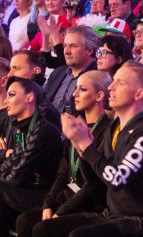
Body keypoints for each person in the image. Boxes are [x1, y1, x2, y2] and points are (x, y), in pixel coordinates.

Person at [35, 61, 143, 236]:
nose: (111, 87)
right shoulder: (115, 126)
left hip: (140, 221)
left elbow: (117, 179)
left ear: (139, 94)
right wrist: (80, 145)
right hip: (111, 214)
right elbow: (97, 176)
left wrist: (87, 146)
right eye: (113, 81)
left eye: (120, 83)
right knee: (43, 229)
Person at [16, 71, 112, 237]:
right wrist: (49, 204)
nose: (74, 94)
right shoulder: (74, 125)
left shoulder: (108, 130)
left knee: (44, 229)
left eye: (82, 89)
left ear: (99, 95)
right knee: (25, 220)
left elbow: (94, 184)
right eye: (75, 88)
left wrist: (61, 212)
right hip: (69, 195)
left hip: (93, 204)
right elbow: (63, 172)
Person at [0, 77, 63, 234]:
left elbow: (16, 175)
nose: (6, 100)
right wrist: (6, 156)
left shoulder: (43, 130)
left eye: (12, 94)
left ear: (29, 97)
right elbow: (11, 162)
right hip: (26, 187)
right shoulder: (19, 125)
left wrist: (8, 160)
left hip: (47, 195)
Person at [44, 26, 99, 113]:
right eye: (65, 46)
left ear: (89, 50)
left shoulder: (98, 77)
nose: (66, 51)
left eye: (73, 46)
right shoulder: (58, 72)